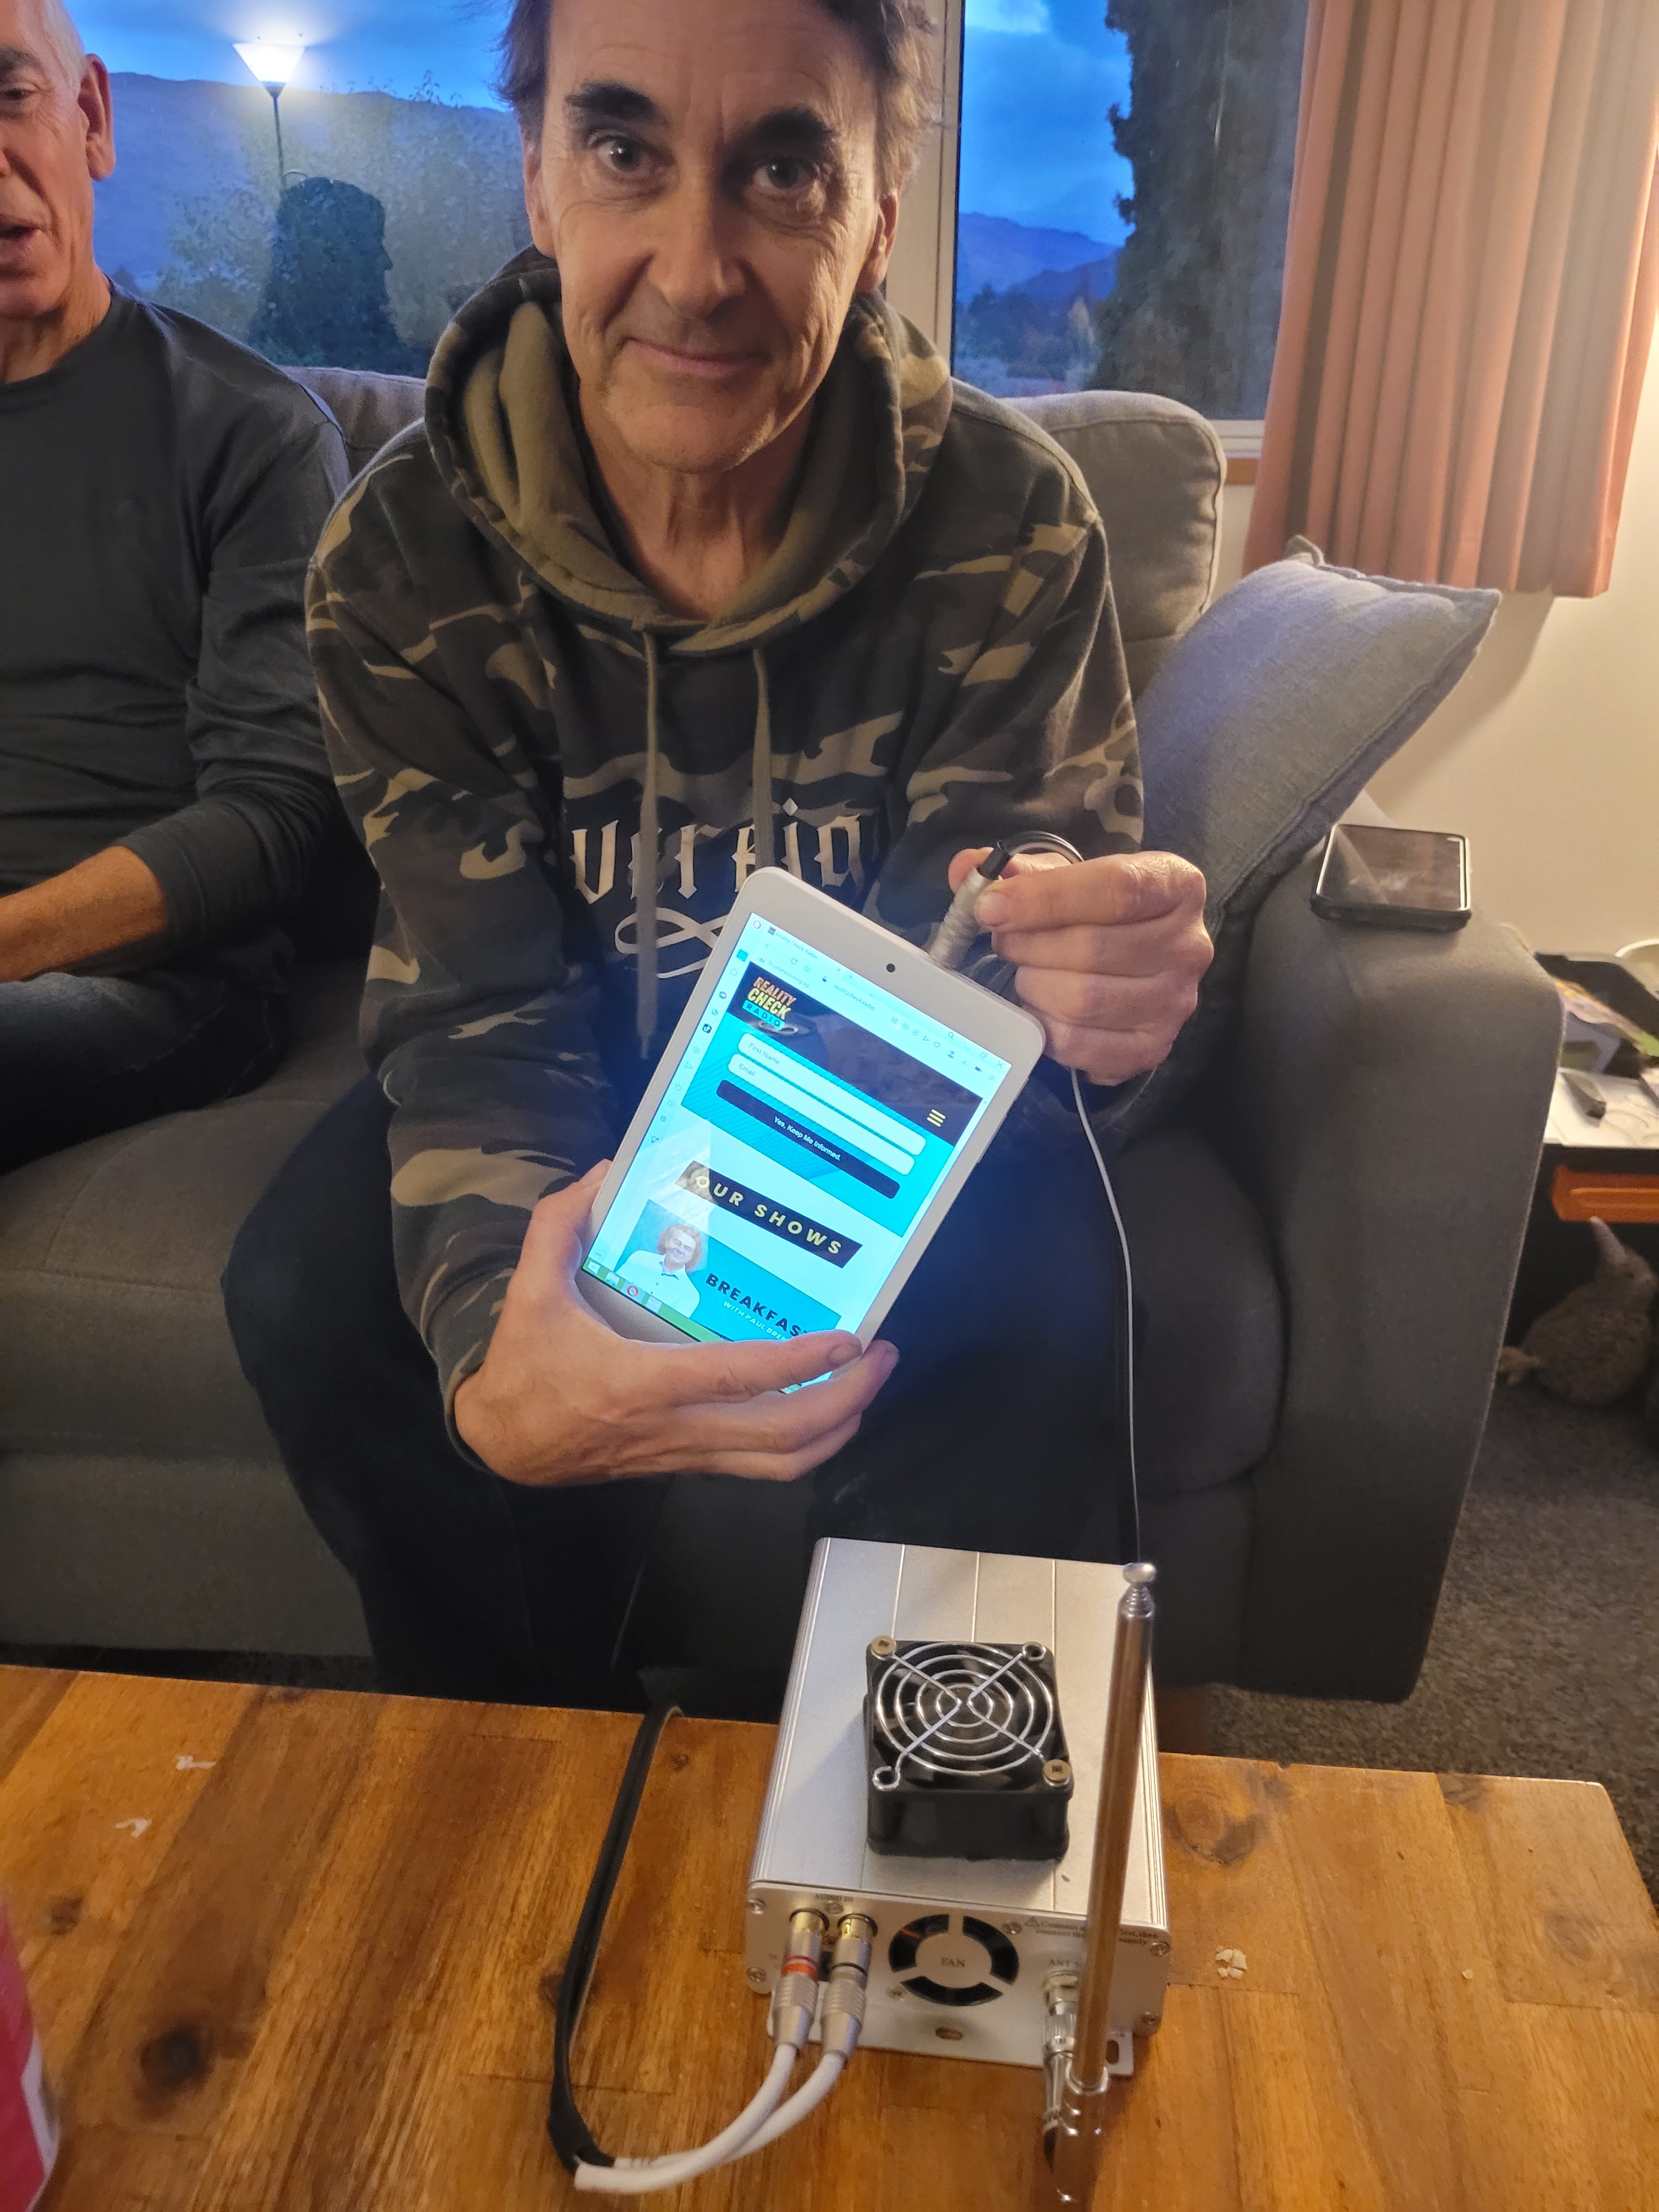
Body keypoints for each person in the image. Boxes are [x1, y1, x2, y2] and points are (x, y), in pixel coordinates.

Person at [225, 0, 1212, 1707]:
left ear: (880, 213)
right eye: (624, 149)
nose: (695, 272)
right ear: (538, 176)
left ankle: (934, 1794)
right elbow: (477, 1014)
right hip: (555, 1056)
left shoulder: (1013, 524)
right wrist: (503, 1371)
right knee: (311, 1286)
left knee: (1047, 1287)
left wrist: (1095, 983)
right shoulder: (396, 558)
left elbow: (991, 976)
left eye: (783, 170)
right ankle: (525, 1748)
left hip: (856, 1098)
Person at [0, 0, 348, 1171]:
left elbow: (272, 821)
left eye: (10, 96)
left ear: (91, 117)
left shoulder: (254, 434)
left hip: (155, 984)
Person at [621, 1222, 705, 1318]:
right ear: (667, 1242)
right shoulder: (640, 1258)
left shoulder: (691, 1295)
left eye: (687, 1249)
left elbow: (672, 1322)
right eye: (677, 1243)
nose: (680, 1250)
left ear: (692, 1257)